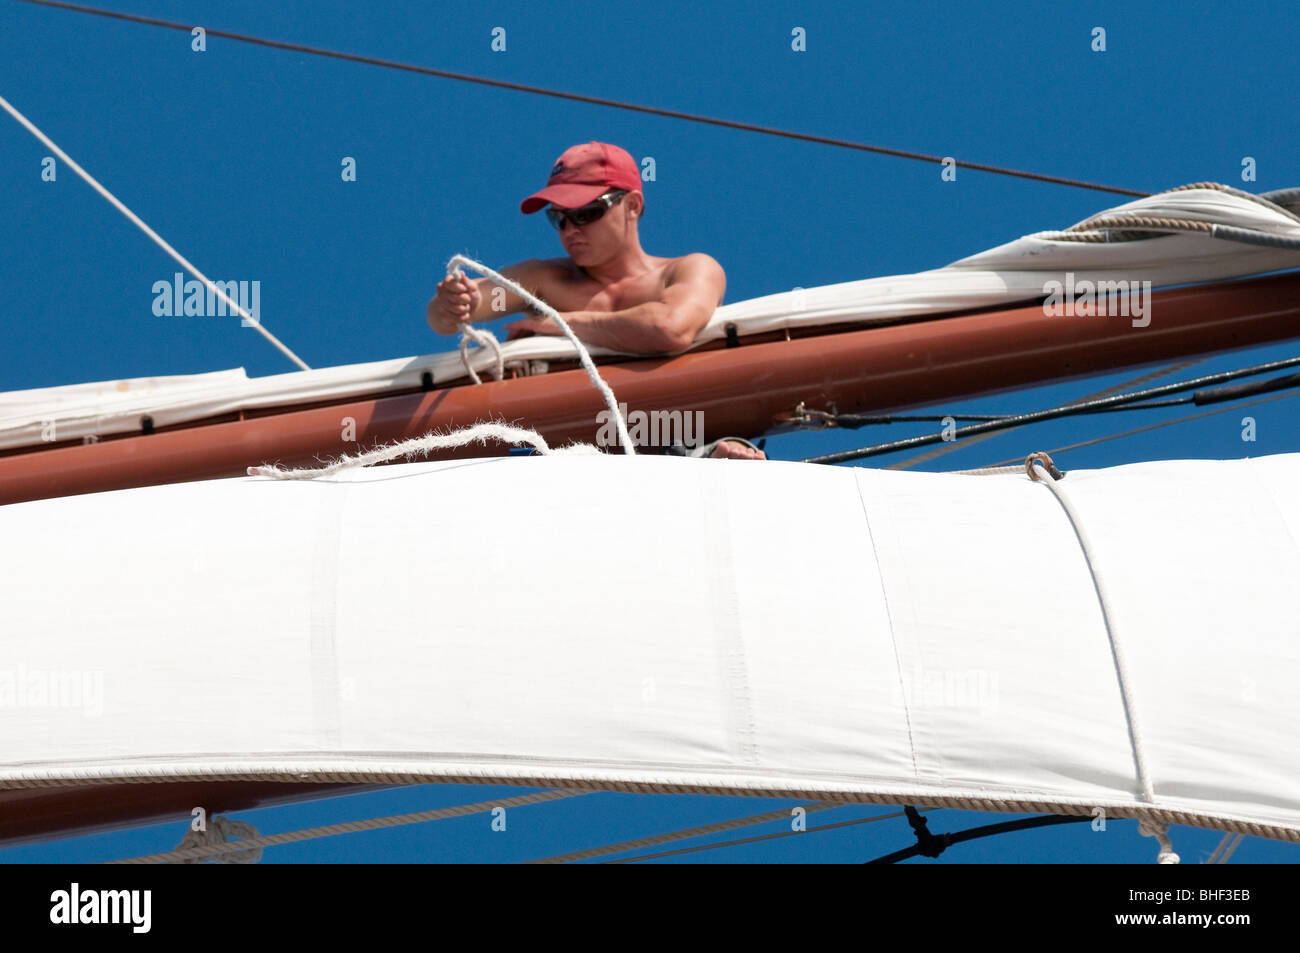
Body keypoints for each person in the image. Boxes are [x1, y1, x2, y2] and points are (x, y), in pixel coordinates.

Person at [428, 141, 765, 460]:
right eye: (557, 217)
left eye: (586, 212)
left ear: (632, 205)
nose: (569, 229)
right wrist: (455, 304)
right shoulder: (542, 283)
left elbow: (669, 327)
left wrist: (563, 324)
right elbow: (479, 305)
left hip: (677, 439)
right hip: (565, 453)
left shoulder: (688, 270)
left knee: (733, 455)